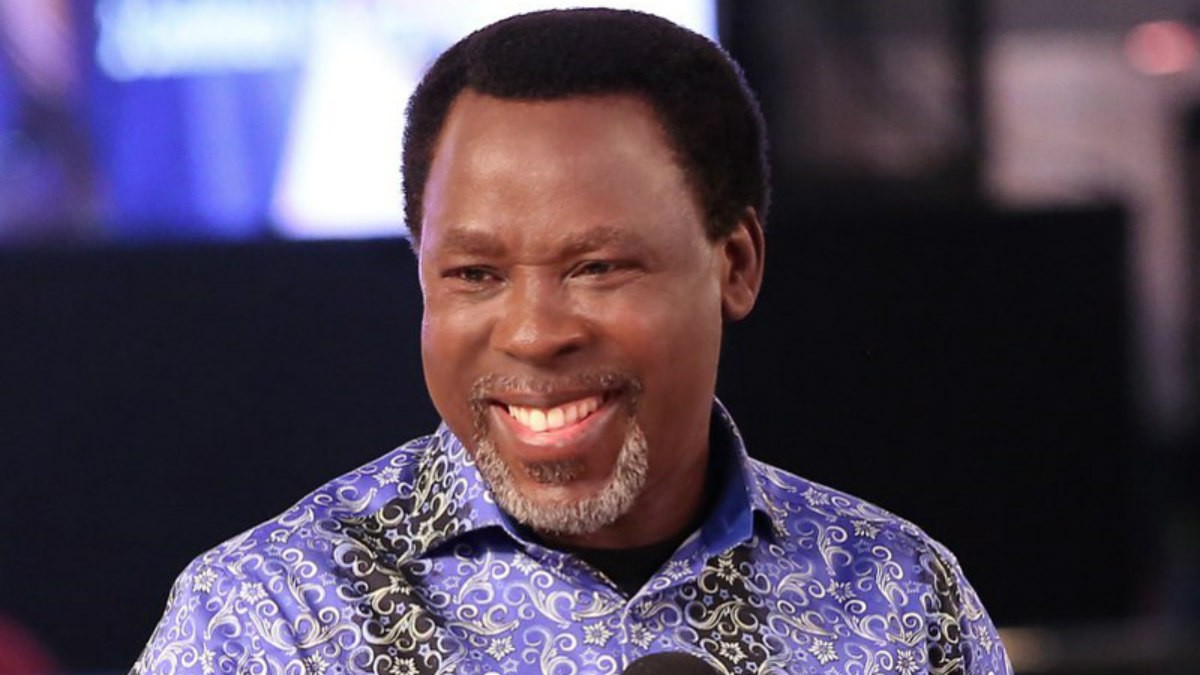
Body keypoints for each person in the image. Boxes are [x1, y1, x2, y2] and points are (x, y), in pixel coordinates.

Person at [134, 9, 1011, 675]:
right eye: (475, 273)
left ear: (736, 264)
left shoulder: (900, 598)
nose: (533, 332)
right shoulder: (269, 619)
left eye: (597, 267)